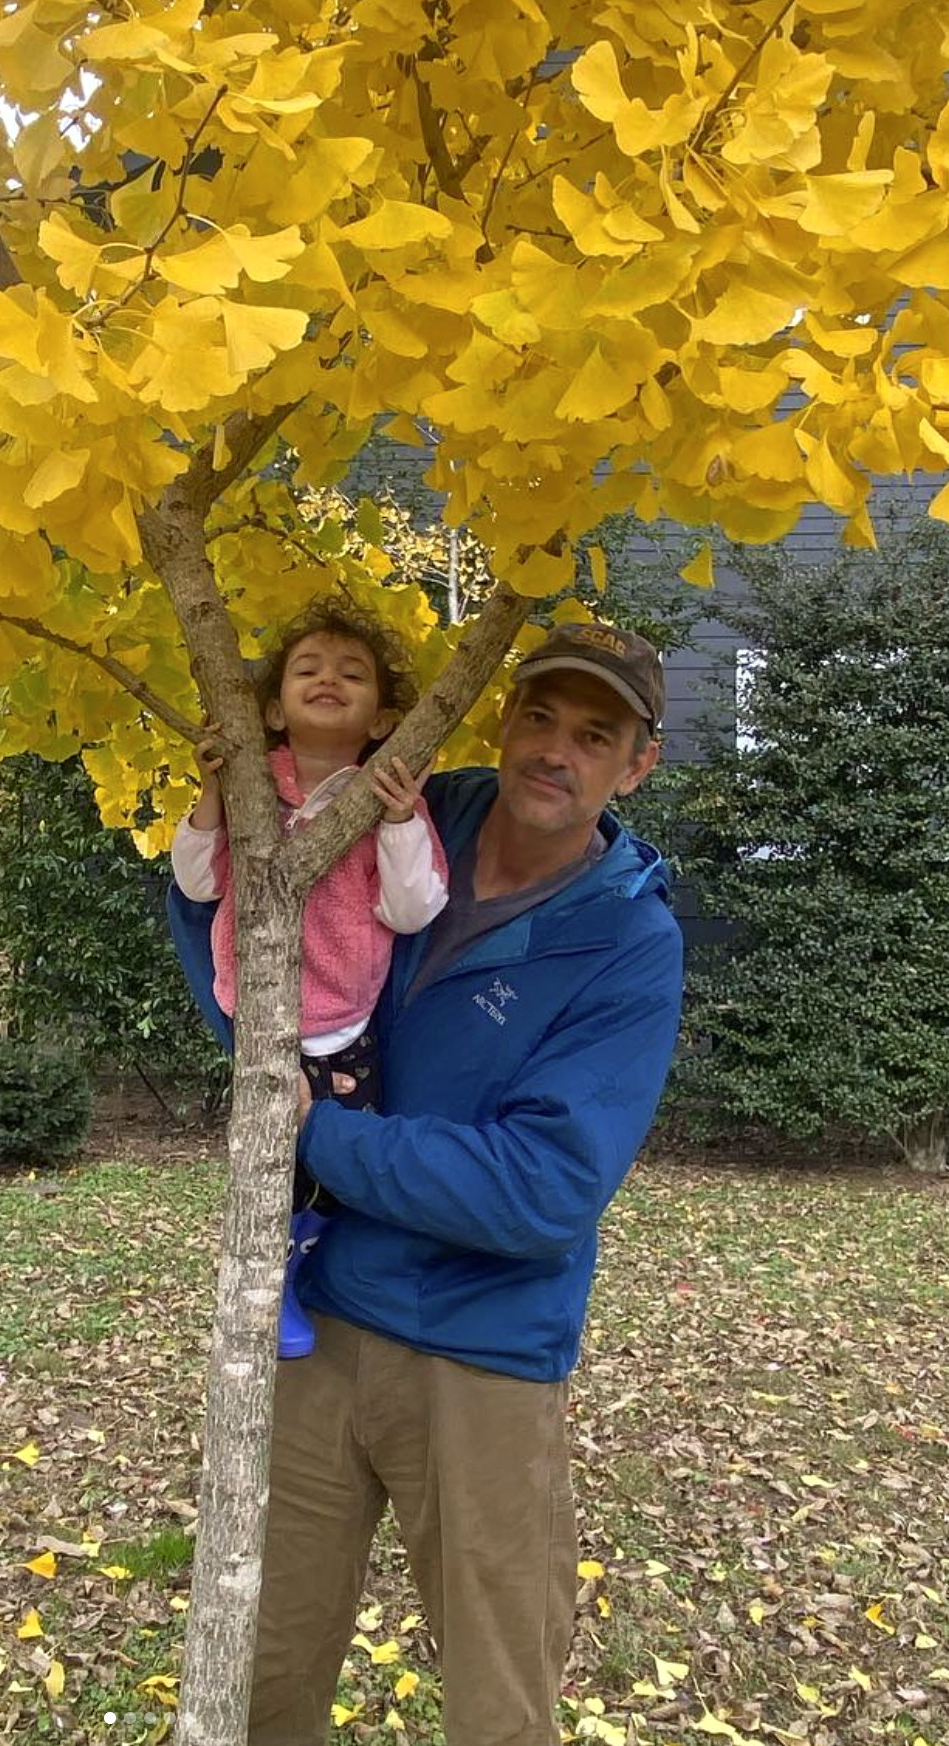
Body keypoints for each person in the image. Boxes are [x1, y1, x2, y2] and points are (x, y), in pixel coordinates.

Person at [168, 619, 684, 1746]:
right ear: (503, 718)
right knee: (264, 1662)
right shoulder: (403, 812)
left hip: (480, 1353)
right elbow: (258, 939)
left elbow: (544, 1187)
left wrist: (320, 1140)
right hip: (318, 1321)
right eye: (538, 715)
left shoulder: (626, 941)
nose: (555, 749)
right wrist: (259, 1043)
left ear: (635, 764)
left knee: (498, 1701)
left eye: (594, 735)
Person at [170, 599, 449, 1357]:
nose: (329, 679)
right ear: (271, 704)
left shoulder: (392, 798)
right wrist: (215, 794)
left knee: (340, 1166)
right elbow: (196, 884)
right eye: (308, 669)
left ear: (386, 717)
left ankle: (316, 1256)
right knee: (271, 1167)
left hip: (345, 1026)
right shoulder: (252, 783)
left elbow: (415, 905)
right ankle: (274, 1280)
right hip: (261, 1016)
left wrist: (396, 821)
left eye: (352, 673)